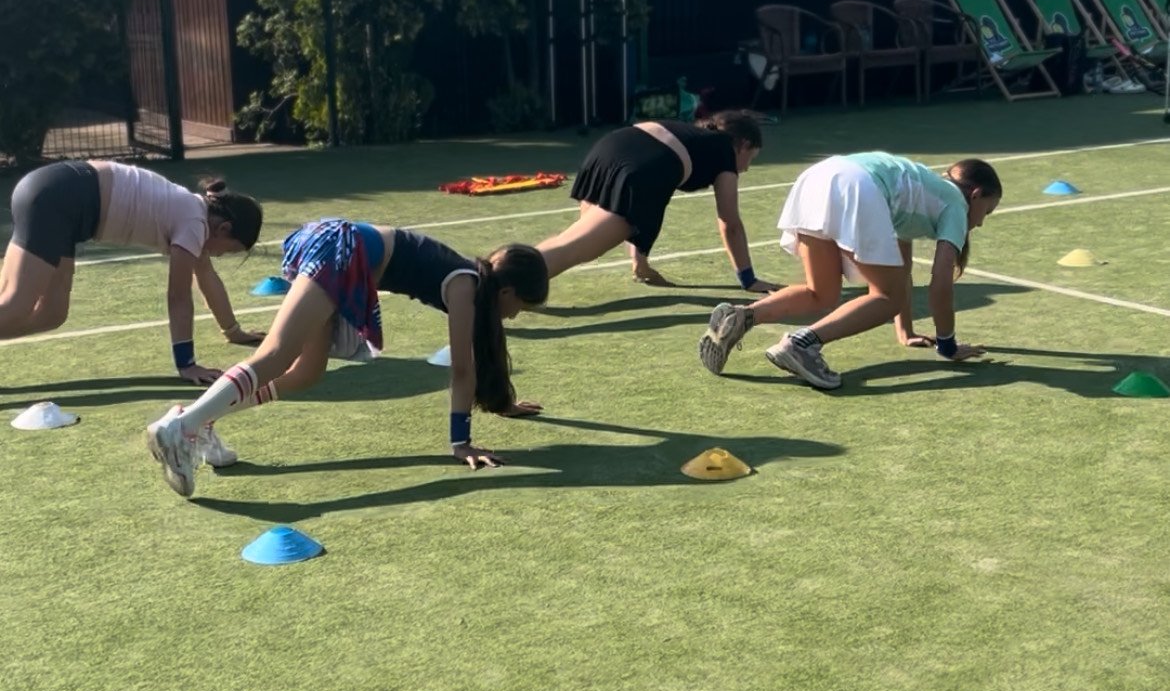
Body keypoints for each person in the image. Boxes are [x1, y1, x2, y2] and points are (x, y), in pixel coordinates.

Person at [145, 220, 550, 497]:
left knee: (306, 372)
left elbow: (476, 359)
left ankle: (200, 418)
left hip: (340, 247)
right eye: (521, 306)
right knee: (276, 353)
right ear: (507, 291)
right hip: (343, 249)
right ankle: (181, 427)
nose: (515, 315)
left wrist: (505, 403)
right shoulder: (465, 285)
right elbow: (462, 370)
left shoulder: (469, 282)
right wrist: (461, 443)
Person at [698, 154, 1002, 388]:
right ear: (975, 195)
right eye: (986, 211)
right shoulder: (956, 205)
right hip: (858, 186)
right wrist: (947, 345)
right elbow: (941, 283)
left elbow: (901, 268)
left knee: (821, 293)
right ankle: (801, 344)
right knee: (887, 297)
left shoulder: (923, 188)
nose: (980, 222)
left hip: (818, 177)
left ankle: (742, 316)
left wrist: (905, 331)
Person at [1, 160, 263, 381]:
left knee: (52, 314)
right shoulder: (194, 222)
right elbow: (179, 297)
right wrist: (187, 364)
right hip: (58, 198)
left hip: (57, 193)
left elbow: (207, 277)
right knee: (17, 305)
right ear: (224, 229)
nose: (219, 255)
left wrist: (233, 331)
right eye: (228, 250)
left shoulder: (193, 213)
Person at [537, 112, 772, 289]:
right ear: (744, 145)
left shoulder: (691, 138)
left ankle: (516, 267)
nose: (746, 168)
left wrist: (640, 263)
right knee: (575, 248)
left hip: (608, 148)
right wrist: (748, 279)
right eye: (751, 158)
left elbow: (649, 198)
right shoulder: (725, 150)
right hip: (637, 168)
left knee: (571, 239)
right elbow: (730, 223)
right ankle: (515, 281)